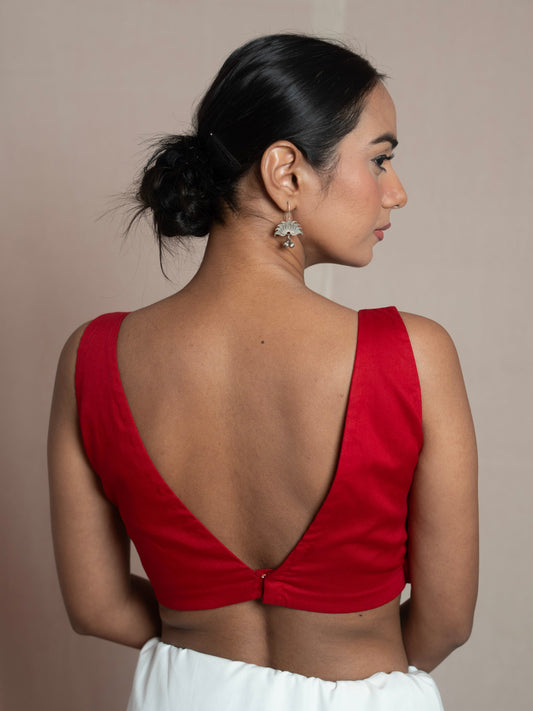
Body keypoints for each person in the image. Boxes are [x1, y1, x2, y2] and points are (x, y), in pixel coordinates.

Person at [48, 33, 478, 710]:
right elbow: (447, 618)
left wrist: (215, 660)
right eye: (380, 159)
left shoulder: (91, 356)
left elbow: (96, 605)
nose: (396, 192)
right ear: (286, 172)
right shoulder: (414, 353)